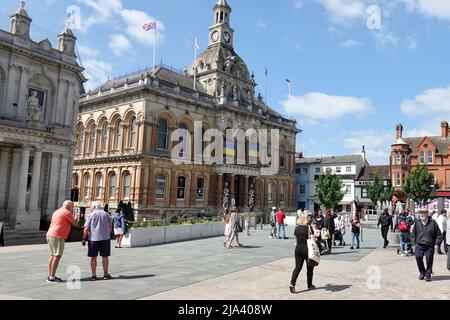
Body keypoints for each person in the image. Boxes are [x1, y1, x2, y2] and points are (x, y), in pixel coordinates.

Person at [46, 200, 78, 283]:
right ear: (69, 206)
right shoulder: (66, 212)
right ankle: (52, 277)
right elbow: (75, 224)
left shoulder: (57, 211)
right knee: (57, 256)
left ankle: (50, 275)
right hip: (58, 235)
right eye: (72, 206)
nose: (72, 208)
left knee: (53, 255)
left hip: (50, 234)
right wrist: (76, 219)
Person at [82, 202, 113, 281]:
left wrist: (83, 238)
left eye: (91, 206)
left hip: (93, 239)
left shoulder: (91, 215)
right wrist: (107, 234)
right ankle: (105, 274)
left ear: (95, 207)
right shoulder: (107, 214)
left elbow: (86, 228)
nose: (90, 208)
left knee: (93, 257)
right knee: (105, 256)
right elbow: (110, 226)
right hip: (105, 239)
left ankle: (93, 275)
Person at [411, 209, 442, 282]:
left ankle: (428, 275)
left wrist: (437, 243)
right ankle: (422, 272)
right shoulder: (417, 222)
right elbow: (413, 233)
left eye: (424, 213)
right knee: (418, 257)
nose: (422, 215)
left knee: (429, 260)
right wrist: (413, 242)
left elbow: (439, 235)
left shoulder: (433, 223)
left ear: (427, 214)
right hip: (419, 244)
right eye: (421, 213)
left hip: (429, 245)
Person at [289, 213, 317, 293]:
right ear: (306, 219)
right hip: (307, 249)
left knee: (297, 267)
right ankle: (309, 284)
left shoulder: (296, 228)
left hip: (298, 249)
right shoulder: (308, 228)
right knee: (310, 267)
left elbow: (296, 240)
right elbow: (313, 239)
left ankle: (292, 284)